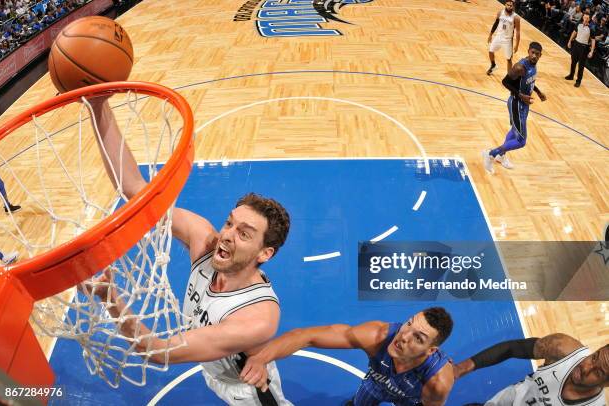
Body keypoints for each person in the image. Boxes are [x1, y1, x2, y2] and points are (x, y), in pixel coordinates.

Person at [86, 98, 292, 405]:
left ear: (265, 254)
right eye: (229, 223)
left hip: (248, 392)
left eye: (244, 234)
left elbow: (156, 350)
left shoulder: (257, 317)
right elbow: (133, 189)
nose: (227, 236)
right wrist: (97, 105)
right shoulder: (205, 242)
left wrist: (110, 298)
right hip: (213, 368)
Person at [241, 307, 455, 406]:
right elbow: (307, 336)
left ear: (430, 350)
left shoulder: (437, 381)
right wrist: (261, 358)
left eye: (418, 338)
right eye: (409, 323)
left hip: (410, 399)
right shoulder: (377, 336)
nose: (404, 336)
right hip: (375, 383)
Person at [454, 333, 608, 405]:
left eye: (598, 372)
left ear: (607, 384)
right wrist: (462, 367)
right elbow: (513, 348)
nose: (585, 367)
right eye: (594, 357)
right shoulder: (564, 349)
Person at [482, 42, 546, 172]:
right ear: (528, 51)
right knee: (521, 141)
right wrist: (520, 95)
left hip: (524, 104)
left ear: (540, 56)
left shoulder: (533, 66)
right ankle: (491, 154)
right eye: (532, 52)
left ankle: (501, 156)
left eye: (537, 54)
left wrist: (538, 92)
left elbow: (530, 81)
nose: (534, 56)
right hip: (517, 103)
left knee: (514, 130)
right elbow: (505, 81)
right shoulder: (520, 67)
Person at [487, 0, 521, 75]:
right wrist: (490, 34)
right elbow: (495, 24)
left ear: (513, 6)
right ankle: (493, 65)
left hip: (508, 40)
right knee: (490, 51)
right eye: (508, 5)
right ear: (505, 4)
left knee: (508, 59)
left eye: (511, 5)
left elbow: (518, 32)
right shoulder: (500, 13)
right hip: (498, 37)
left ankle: (509, 76)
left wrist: (517, 45)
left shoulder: (516, 17)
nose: (509, 7)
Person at [565, 13, 596, 87]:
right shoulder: (578, 24)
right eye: (584, 17)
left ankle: (578, 81)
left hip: (584, 48)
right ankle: (571, 75)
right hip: (576, 44)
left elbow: (593, 40)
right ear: (583, 17)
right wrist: (569, 41)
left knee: (581, 66)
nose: (585, 19)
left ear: (589, 19)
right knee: (573, 62)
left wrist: (591, 51)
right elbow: (574, 32)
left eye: (587, 18)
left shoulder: (591, 28)